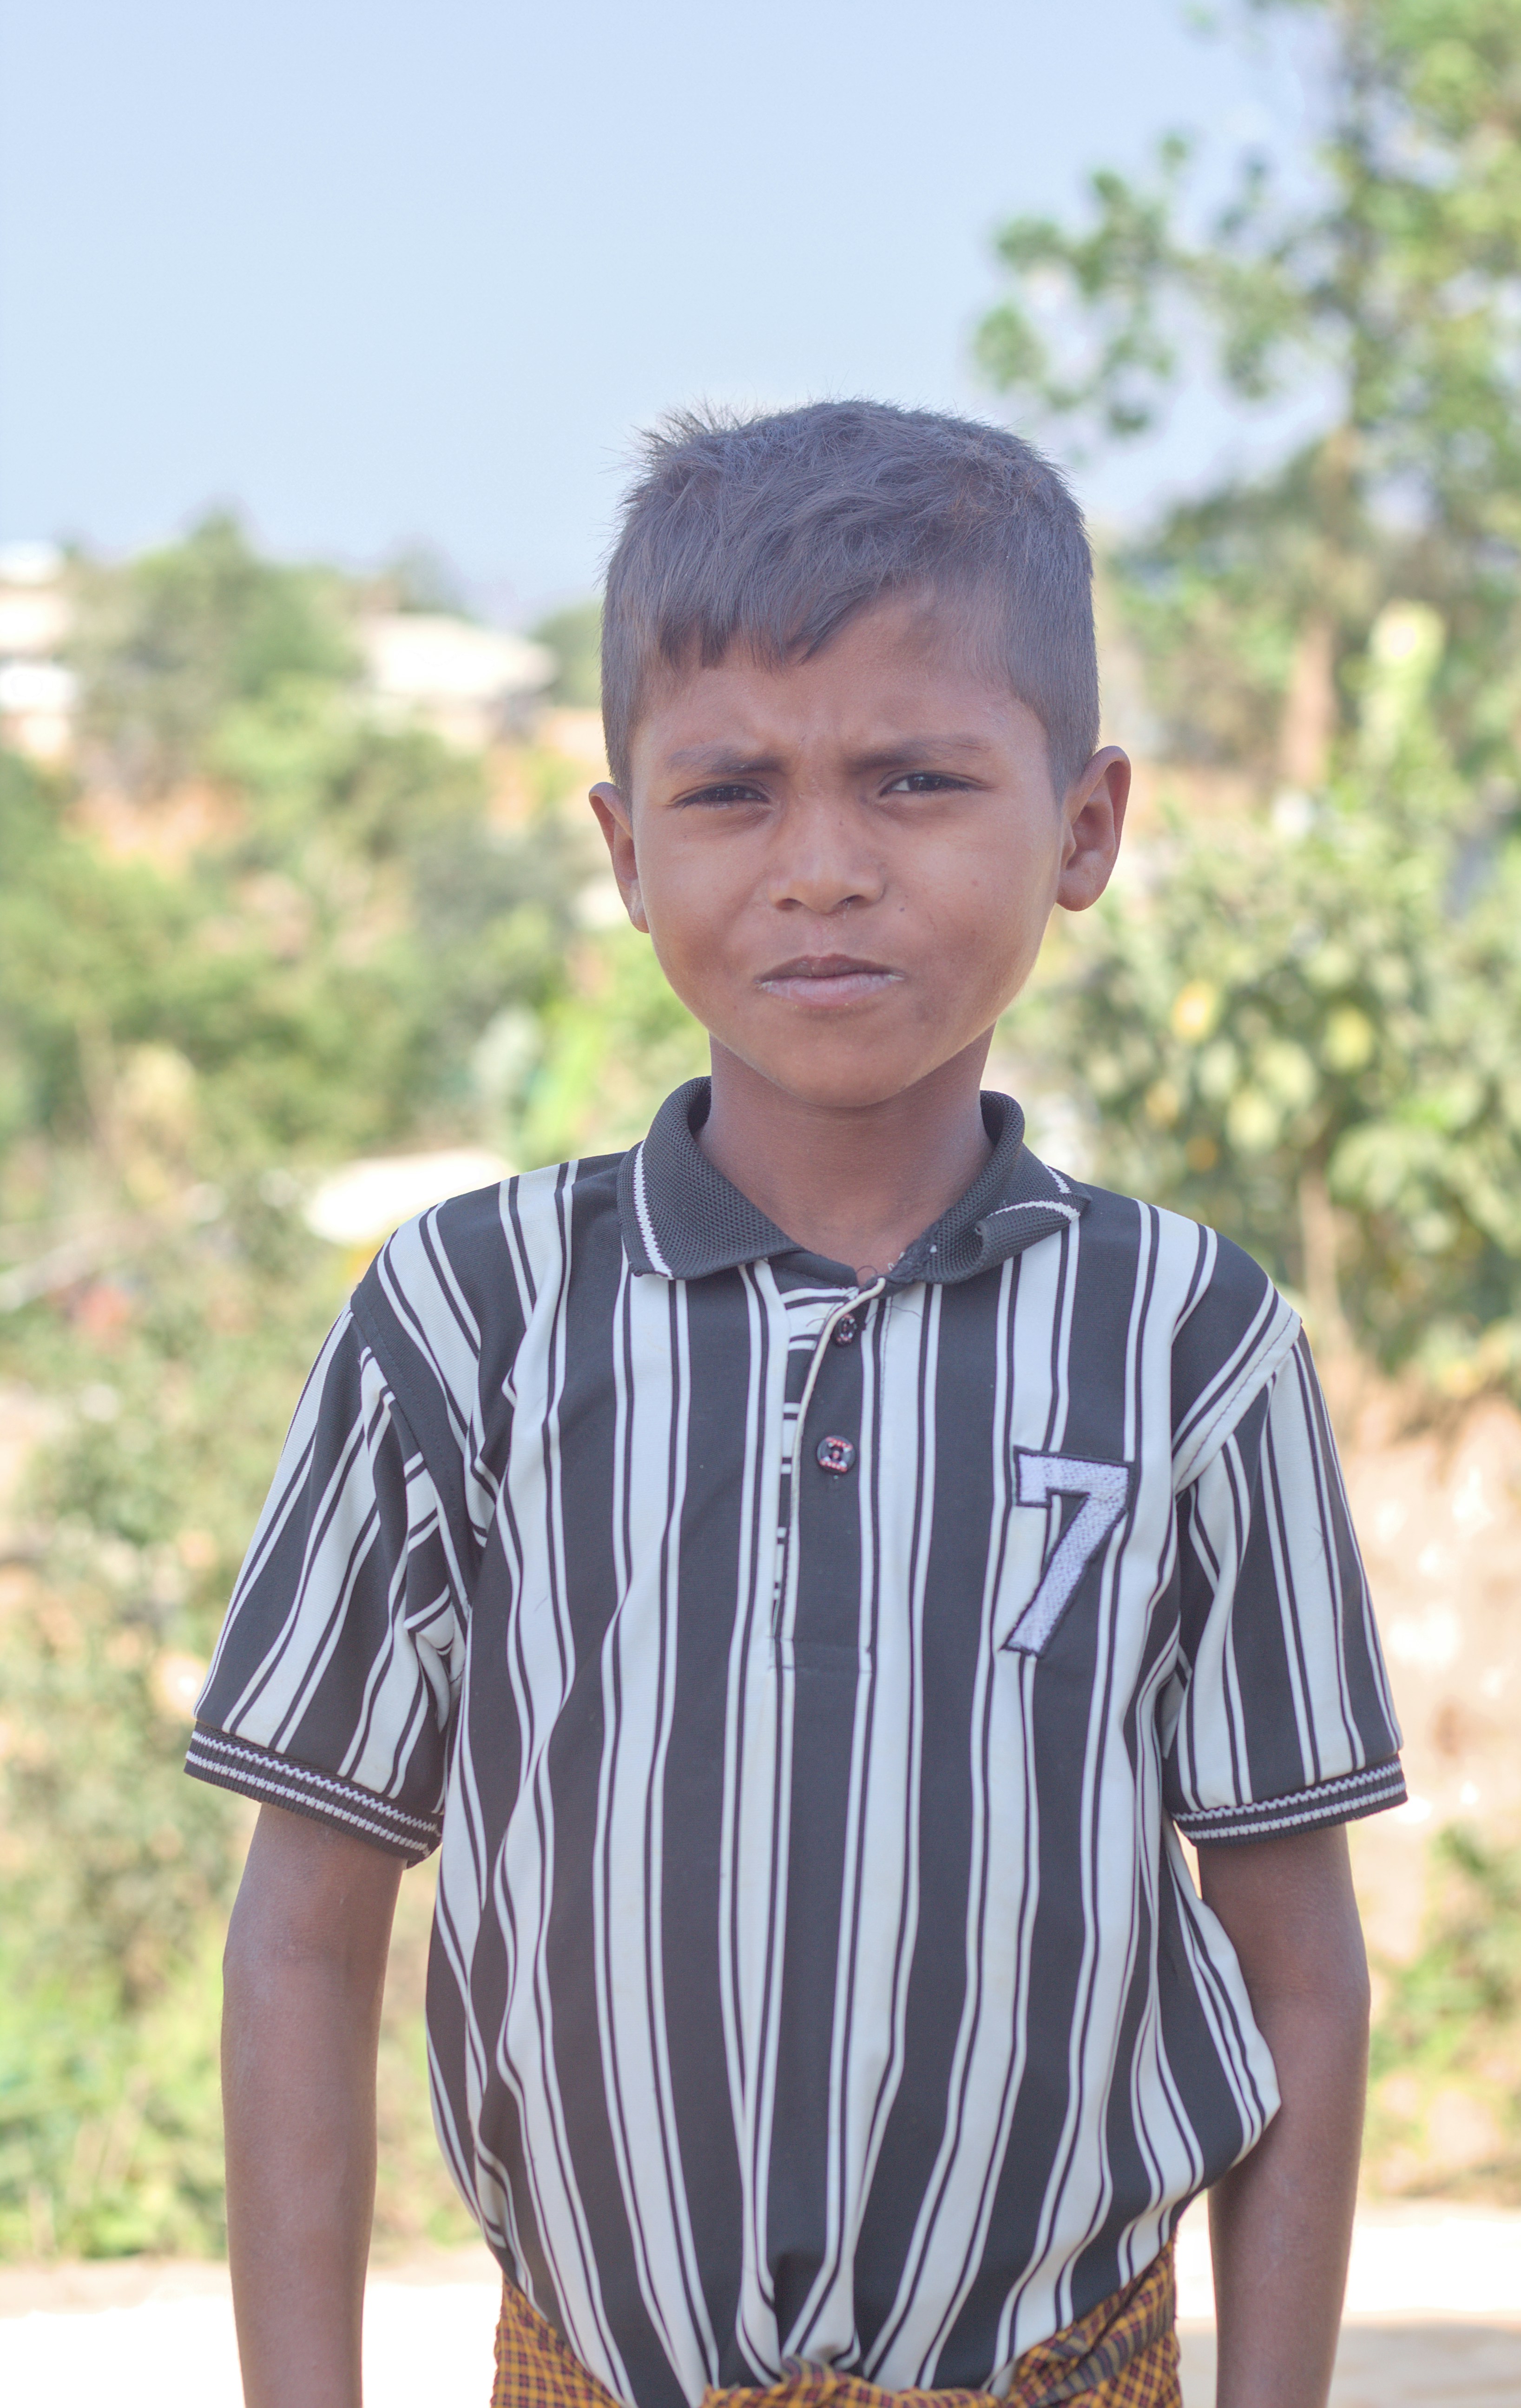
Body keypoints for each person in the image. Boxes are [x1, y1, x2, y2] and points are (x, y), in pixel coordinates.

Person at [189, 402, 1405, 2408]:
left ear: (1084, 825)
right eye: (733, 790)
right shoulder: (462, 1319)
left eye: (917, 780)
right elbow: (303, 1938)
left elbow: (1296, 1959)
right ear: (623, 849)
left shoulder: (1191, 1339)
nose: (822, 867)